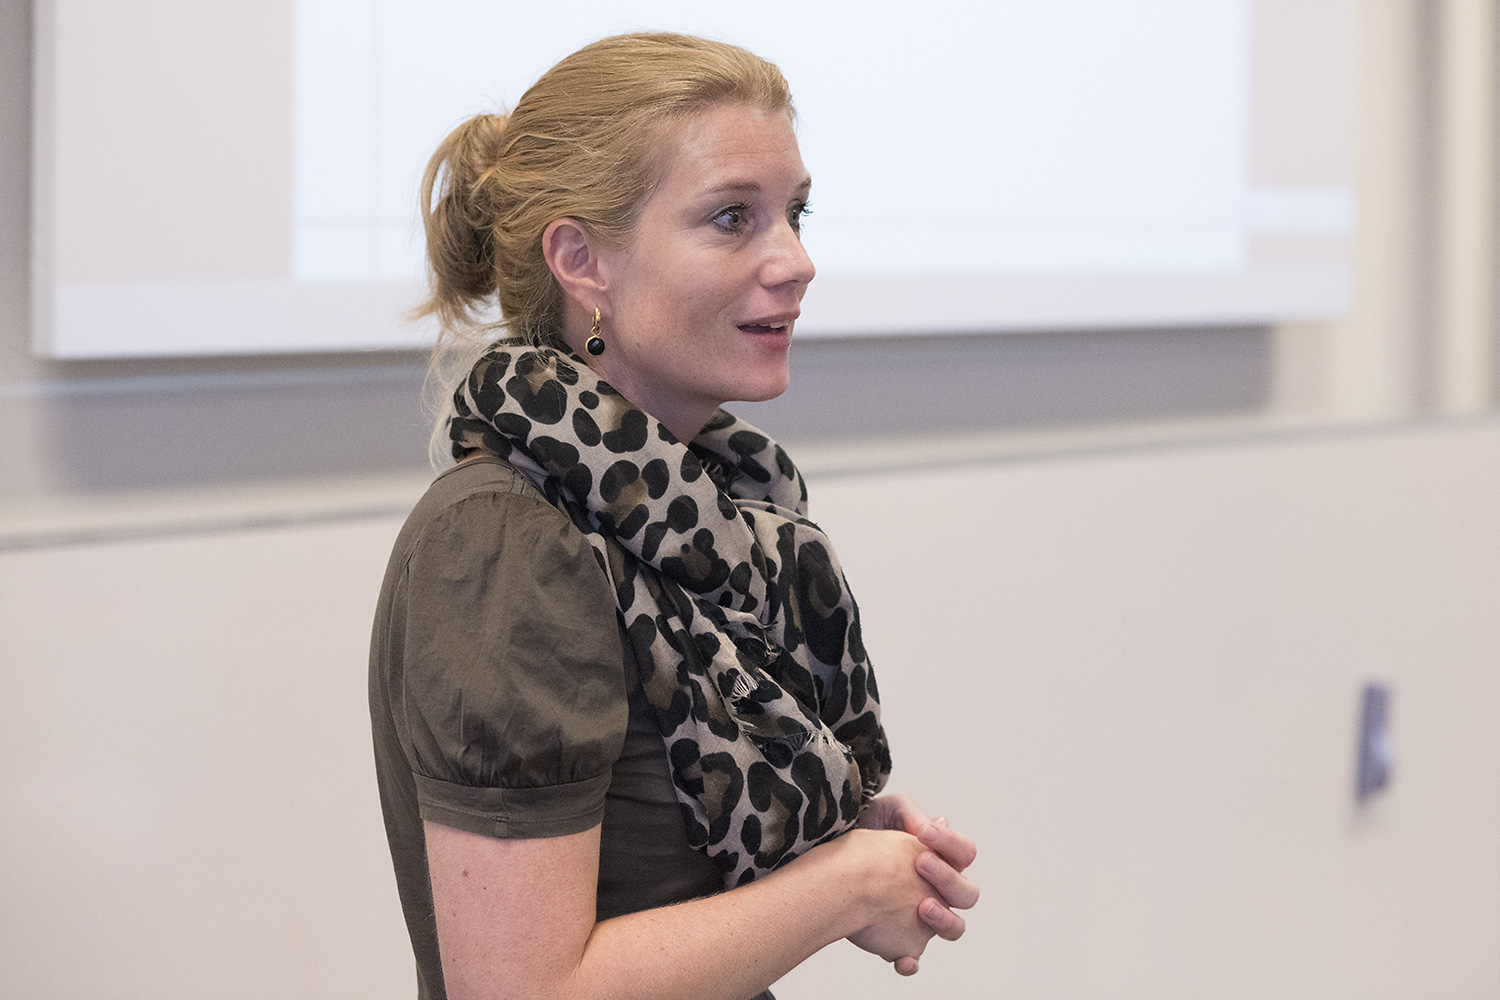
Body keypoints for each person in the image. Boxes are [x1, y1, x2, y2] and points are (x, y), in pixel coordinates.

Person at [369, 32, 979, 1000]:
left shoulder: (713, 508)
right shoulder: (509, 542)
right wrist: (842, 890)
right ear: (581, 260)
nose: (796, 261)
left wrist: (838, 850)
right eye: (733, 218)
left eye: (795, 213)